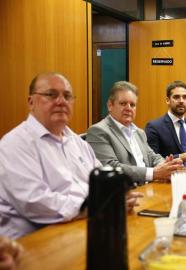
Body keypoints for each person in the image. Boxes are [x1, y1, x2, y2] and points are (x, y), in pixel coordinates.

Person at [0, 73, 142, 239]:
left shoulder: (77, 142)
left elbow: (100, 179)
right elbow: (35, 202)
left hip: (80, 227)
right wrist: (97, 205)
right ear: (31, 102)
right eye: (51, 95)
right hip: (33, 243)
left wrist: (118, 194)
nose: (61, 101)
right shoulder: (15, 143)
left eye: (67, 96)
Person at [87, 81, 183, 183]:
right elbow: (111, 167)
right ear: (110, 105)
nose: (128, 108)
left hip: (148, 188)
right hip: (125, 193)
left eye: (132, 105)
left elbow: (152, 157)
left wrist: (167, 166)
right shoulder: (98, 131)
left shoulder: (139, 132)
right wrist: (153, 173)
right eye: (123, 103)